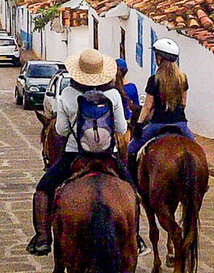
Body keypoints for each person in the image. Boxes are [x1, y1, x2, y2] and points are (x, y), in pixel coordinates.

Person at [26, 48, 138, 257]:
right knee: (132, 192)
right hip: (108, 157)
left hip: (74, 155)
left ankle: (42, 238)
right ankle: (136, 237)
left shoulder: (68, 94)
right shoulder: (113, 95)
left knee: (43, 189)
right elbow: (122, 129)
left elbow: (60, 131)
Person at [127, 38, 194, 183]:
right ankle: (201, 183)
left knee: (131, 149)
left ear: (159, 58)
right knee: (196, 150)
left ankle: (131, 182)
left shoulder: (154, 80)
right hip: (180, 124)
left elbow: (148, 106)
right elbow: (183, 103)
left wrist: (138, 124)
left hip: (158, 124)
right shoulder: (183, 79)